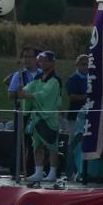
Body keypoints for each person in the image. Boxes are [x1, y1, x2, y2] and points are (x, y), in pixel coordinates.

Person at [15, 51, 62, 182]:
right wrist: (21, 90)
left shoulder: (55, 80)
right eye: (40, 61)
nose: (42, 63)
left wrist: (28, 95)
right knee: (37, 145)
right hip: (36, 117)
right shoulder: (38, 78)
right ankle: (38, 171)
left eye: (45, 61)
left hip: (49, 116)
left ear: (52, 62)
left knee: (52, 145)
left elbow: (45, 94)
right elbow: (29, 88)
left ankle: (52, 172)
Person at [64, 54, 90, 179]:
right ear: (77, 65)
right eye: (83, 64)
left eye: (88, 64)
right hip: (75, 116)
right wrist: (87, 96)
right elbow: (72, 96)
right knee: (73, 143)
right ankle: (70, 173)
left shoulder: (91, 78)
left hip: (88, 116)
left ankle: (83, 171)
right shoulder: (72, 79)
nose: (86, 67)